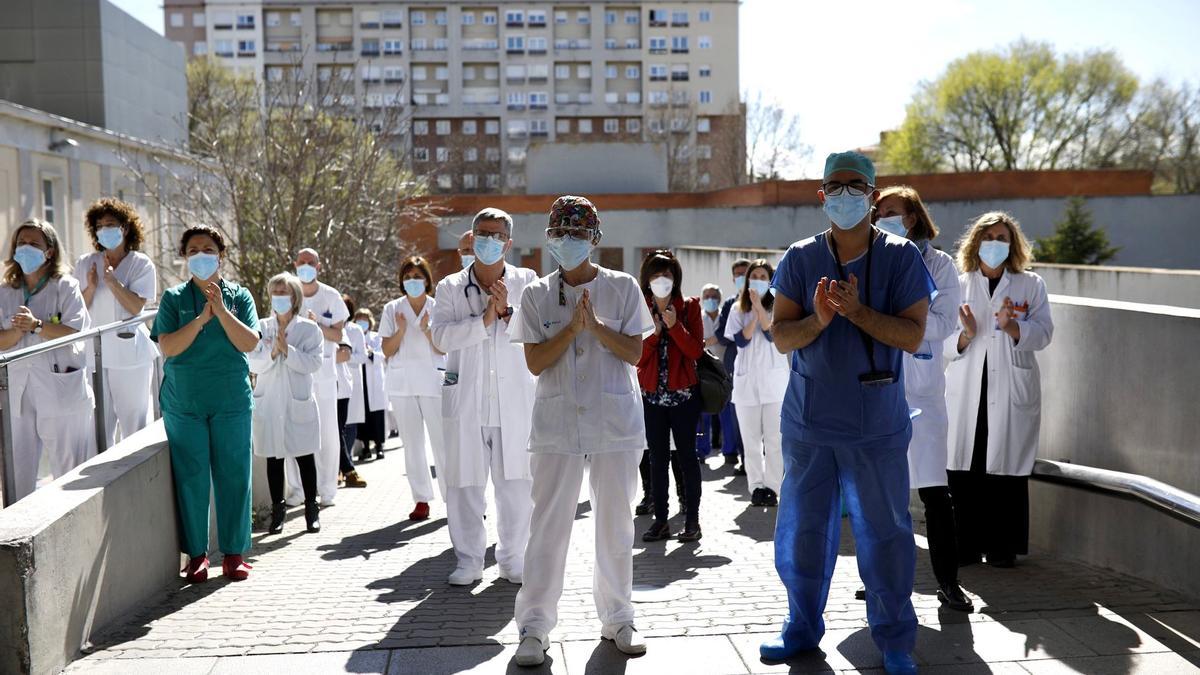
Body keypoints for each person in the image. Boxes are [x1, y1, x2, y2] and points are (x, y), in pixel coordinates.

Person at [762, 152, 934, 675]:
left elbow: (912, 335)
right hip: (811, 423)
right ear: (821, 197)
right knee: (803, 531)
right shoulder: (799, 258)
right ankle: (800, 625)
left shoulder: (902, 259)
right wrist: (818, 320)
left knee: (885, 534)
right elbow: (781, 338)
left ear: (873, 196)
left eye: (854, 185)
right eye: (833, 186)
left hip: (876, 425)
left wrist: (858, 313)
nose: (843, 195)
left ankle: (895, 638)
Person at [511, 196, 652, 667]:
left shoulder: (624, 287)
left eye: (576, 234)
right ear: (548, 237)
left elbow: (634, 352)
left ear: (594, 238)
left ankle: (619, 617)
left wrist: (594, 327)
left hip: (614, 422)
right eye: (559, 233)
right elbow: (534, 362)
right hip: (557, 424)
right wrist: (571, 331)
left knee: (616, 523)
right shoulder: (534, 294)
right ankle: (534, 627)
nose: (566, 242)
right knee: (547, 526)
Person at [871, 186, 971, 610]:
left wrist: (894, 322)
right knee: (880, 496)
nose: (882, 218)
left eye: (890, 212)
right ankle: (879, 581)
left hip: (924, 394)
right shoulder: (872, 261)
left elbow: (946, 322)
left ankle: (948, 582)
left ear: (912, 217)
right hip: (877, 389)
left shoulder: (939, 264)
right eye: (878, 213)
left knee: (934, 494)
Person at [431, 207, 538, 586]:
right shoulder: (449, 287)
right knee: (463, 486)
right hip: (467, 401)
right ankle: (469, 560)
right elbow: (441, 337)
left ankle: (513, 559)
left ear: (508, 243)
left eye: (495, 235)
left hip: (513, 402)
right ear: (472, 237)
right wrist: (484, 321)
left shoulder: (528, 281)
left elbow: (538, 333)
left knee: (516, 488)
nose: (487, 240)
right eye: (481, 232)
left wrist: (506, 311)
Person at [945, 211, 1054, 569]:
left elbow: (1044, 333)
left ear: (1013, 245)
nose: (995, 244)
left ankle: (1003, 547)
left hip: (1010, 388)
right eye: (988, 237)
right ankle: (966, 545)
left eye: (1002, 238)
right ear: (976, 243)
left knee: (1006, 469)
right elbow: (936, 340)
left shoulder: (1030, 285)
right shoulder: (957, 285)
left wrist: (1012, 328)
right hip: (967, 389)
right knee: (967, 466)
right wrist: (965, 335)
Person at [151, 225, 260, 583]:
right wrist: (200, 319)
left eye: (208, 248)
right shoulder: (173, 298)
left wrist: (221, 311)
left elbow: (248, 343)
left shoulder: (240, 296)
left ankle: (234, 553)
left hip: (230, 400)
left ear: (221, 255)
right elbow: (168, 346)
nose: (201, 255)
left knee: (234, 474)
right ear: (184, 256)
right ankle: (196, 555)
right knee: (191, 477)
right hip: (185, 402)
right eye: (194, 249)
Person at [0, 219, 94, 501]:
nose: (24, 248)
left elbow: (76, 331)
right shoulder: (5, 292)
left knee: (67, 472)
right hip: (17, 389)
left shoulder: (65, 286)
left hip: (59, 386)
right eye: (20, 243)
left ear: (49, 252)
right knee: (17, 476)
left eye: (33, 244)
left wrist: (38, 325)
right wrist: (16, 332)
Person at [76, 198, 157, 447]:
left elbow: (136, 307)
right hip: (95, 356)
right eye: (99, 225)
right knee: (98, 428)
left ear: (125, 227)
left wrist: (112, 282)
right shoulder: (85, 263)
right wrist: (91, 287)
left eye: (110, 224)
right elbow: (79, 311)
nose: (104, 230)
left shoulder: (140, 263)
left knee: (134, 425)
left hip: (130, 355)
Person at [637, 249, 705, 543]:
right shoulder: (640, 308)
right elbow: (636, 357)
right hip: (652, 396)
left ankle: (692, 520)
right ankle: (661, 520)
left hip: (683, 397)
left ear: (675, 278)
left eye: (666, 274)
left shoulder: (689, 306)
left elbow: (695, 351)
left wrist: (675, 325)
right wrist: (653, 333)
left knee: (688, 458)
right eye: (655, 274)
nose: (661, 280)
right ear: (647, 279)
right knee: (657, 458)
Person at [249, 273, 323, 535]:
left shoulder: (309, 329)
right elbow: (251, 361)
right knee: (273, 458)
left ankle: (311, 510)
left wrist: (288, 351)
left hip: (297, 401)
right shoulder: (261, 326)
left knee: (304, 457)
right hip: (268, 402)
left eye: (285, 293)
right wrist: (271, 352)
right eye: (275, 293)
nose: (279, 297)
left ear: (295, 298)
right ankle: (278, 512)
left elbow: (314, 363)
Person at [381, 256, 447, 521]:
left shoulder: (438, 306)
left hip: (433, 382)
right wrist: (401, 330)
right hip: (403, 384)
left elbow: (444, 347)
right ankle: (421, 499)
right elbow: (386, 349)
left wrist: (427, 329)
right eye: (408, 277)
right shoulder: (392, 309)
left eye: (418, 277)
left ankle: (452, 498)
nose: (413, 282)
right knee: (413, 445)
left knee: (442, 444)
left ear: (427, 280)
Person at [287, 248, 351, 505]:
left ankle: (327, 490)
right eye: (301, 262)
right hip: (295, 373)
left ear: (319, 266)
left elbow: (338, 335)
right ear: (294, 264)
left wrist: (317, 325)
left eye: (310, 262)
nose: (305, 266)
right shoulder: (288, 293)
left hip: (324, 374)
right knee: (294, 431)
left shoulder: (331, 296)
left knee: (327, 434)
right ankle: (298, 490)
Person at [724, 259, 789, 508]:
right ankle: (756, 487)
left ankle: (772, 487)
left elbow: (770, 334)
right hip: (746, 385)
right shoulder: (737, 309)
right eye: (755, 276)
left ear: (770, 280)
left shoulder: (779, 307)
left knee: (774, 440)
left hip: (774, 384)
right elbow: (741, 340)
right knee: (750, 441)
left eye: (763, 276)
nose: (758, 280)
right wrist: (752, 309)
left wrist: (761, 309)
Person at [715, 259, 751, 470]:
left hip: (762, 367)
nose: (741, 277)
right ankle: (743, 458)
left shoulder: (768, 299)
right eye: (737, 274)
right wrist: (741, 334)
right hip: (735, 366)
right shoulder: (730, 304)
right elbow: (722, 334)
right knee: (738, 414)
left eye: (744, 273)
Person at [335, 294, 368, 488]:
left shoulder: (354, 330)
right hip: (334, 380)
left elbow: (361, 356)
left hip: (352, 379)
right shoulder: (330, 328)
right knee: (337, 427)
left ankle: (346, 467)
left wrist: (345, 357)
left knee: (349, 425)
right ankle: (342, 468)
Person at [352, 308, 388, 461]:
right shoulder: (353, 336)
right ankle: (365, 448)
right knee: (363, 415)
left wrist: (371, 353)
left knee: (376, 415)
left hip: (374, 381)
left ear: (370, 322)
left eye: (364, 320)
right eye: (359, 319)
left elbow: (383, 354)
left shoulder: (376, 337)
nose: (362, 323)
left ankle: (379, 447)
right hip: (360, 380)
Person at [695, 283, 724, 456]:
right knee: (703, 414)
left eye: (713, 296)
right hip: (704, 371)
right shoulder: (697, 317)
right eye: (706, 296)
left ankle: (728, 450)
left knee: (725, 413)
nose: (710, 299)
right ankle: (701, 450)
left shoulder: (725, 317)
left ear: (719, 299)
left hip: (723, 372)